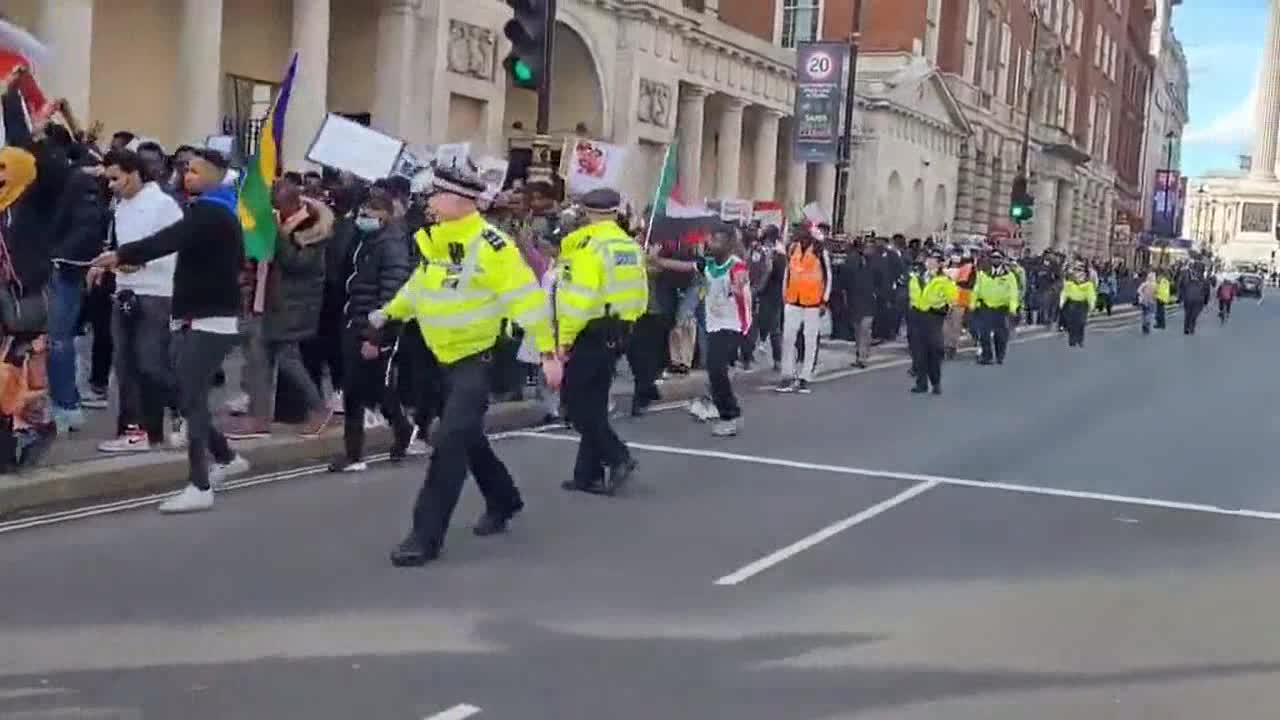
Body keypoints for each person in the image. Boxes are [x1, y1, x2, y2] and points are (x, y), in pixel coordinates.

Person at [372, 161, 555, 568]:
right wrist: (388, 312)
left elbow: (527, 300)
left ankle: (424, 536)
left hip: (477, 360)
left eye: (436, 196)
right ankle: (504, 498)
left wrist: (547, 354)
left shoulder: (492, 246)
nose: (429, 203)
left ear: (459, 201)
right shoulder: (437, 239)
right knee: (467, 437)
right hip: (439, 356)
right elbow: (423, 285)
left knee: (449, 441)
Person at [90, 148, 250, 513]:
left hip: (210, 320)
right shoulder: (214, 212)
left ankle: (200, 485)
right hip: (197, 315)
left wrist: (120, 256)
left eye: (195, 170)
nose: (187, 175)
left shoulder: (211, 211)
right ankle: (226, 457)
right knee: (186, 393)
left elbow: (167, 240)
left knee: (191, 398)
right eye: (185, 170)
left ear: (216, 175)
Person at [555, 188, 647, 492]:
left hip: (590, 330)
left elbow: (577, 298)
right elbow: (640, 292)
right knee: (594, 403)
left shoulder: (588, 246)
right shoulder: (629, 246)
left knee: (575, 403)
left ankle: (618, 456)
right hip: (620, 329)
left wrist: (565, 338)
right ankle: (587, 474)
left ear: (586, 212)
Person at [94, 149, 184, 453]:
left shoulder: (163, 204)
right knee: (125, 365)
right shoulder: (120, 207)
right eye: (108, 180)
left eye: (116, 178)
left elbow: (176, 247)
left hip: (157, 293)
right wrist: (106, 264)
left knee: (151, 364)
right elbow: (122, 249)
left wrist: (139, 263)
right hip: (124, 291)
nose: (112, 186)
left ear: (133, 172)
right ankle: (135, 430)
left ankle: (183, 411)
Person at [326, 191, 414, 472]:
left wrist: (376, 336)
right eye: (362, 213)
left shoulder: (392, 246)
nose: (364, 218)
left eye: (370, 214)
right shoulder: (364, 241)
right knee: (361, 388)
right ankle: (363, 449)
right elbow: (342, 266)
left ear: (386, 215)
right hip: (353, 319)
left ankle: (378, 442)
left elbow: (391, 292)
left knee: (369, 387)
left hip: (374, 326)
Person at [659, 223, 751, 436]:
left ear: (729, 243)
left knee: (717, 368)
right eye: (711, 239)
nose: (711, 244)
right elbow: (684, 266)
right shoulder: (708, 264)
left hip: (733, 324)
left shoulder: (736, 265)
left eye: (717, 240)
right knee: (714, 369)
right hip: (714, 323)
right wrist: (657, 261)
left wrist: (738, 287)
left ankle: (731, 414)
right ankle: (723, 407)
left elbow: (741, 279)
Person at [775, 227, 832, 394]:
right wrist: (784, 295)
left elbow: (828, 276)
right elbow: (788, 273)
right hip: (793, 300)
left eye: (802, 233)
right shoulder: (793, 249)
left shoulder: (820, 252)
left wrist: (824, 300)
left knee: (810, 340)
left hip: (813, 302)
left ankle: (805, 377)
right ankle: (787, 375)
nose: (799, 236)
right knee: (787, 339)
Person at [907, 248, 955, 395]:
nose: (930, 262)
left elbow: (952, 298)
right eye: (929, 259)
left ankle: (936, 382)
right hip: (917, 316)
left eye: (934, 260)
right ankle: (921, 383)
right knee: (918, 352)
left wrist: (946, 309)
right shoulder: (917, 276)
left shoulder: (944, 280)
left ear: (940, 263)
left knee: (934, 350)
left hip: (933, 317)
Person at [970, 250, 1020, 365]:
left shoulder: (1009, 275)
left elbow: (1013, 293)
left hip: (1001, 308)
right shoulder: (983, 273)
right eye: (993, 257)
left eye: (998, 258)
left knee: (1000, 334)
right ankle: (987, 356)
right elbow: (977, 289)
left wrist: (1013, 308)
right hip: (986, 306)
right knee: (984, 333)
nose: (995, 260)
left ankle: (1000, 355)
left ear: (1002, 260)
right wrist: (973, 303)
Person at [1059, 263, 1097, 348]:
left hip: (1083, 304)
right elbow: (1065, 292)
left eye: (1080, 272)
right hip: (1072, 304)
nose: (1079, 275)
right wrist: (1062, 301)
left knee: (1081, 323)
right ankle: (1072, 340)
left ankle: (1080, 340)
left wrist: (1092, 304)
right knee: (1072, 323)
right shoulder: (1070, 283)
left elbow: (1091, 295)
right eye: (1076, 272)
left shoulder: (1088, 284)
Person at [1179, 264, 1209, 335]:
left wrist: (1181, 297)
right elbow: (1207, 292)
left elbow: (1182, 287)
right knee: (1192, 315)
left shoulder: (1203, 281)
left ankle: (1188, 328)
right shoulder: (1203, 280)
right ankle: (1189, 328)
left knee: (1189, 314)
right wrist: (1205, 301)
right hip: (1195, 300)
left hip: (1192, 299)